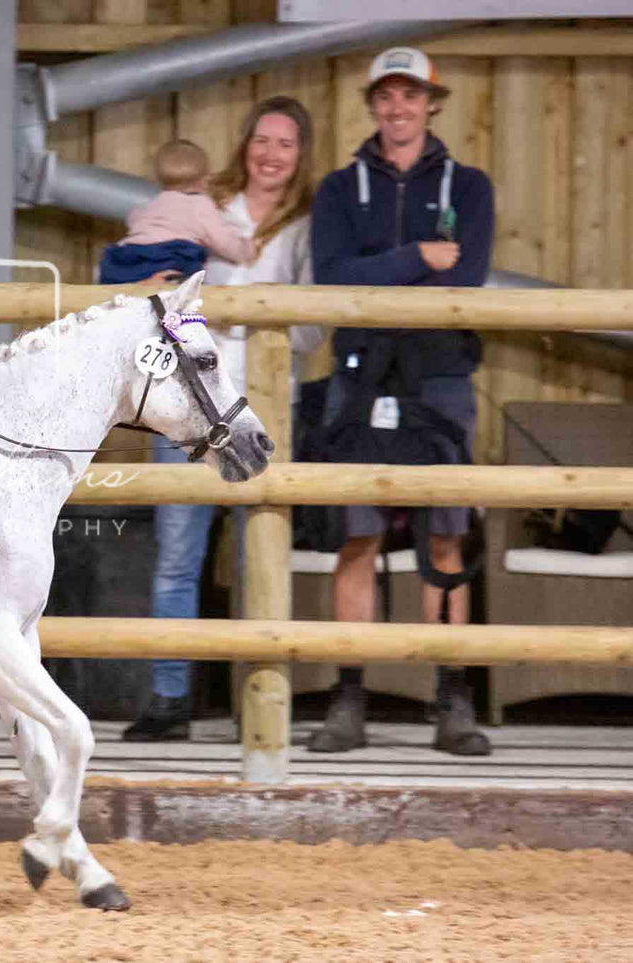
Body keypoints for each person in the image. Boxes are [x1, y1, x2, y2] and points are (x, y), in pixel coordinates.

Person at [121, 96, 327, 742]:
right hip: (186, 403)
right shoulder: (201, 210)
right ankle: (168, 696)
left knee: (257, 555)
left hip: (262, 409)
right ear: (245, 145)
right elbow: (150, 281)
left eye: (284, 144)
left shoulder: (307, 228)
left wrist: (252, 322)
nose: (269, 154)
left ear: (300, 155)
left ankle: (257, 699)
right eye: (260, 140)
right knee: (177, 556)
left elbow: (316, 326)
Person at [308, 46, 495, 756]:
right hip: (358, 377)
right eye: (386, 96)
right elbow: (330, 278)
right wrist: (418, 256)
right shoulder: (337, 188)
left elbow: (466, 277)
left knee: (443, 534)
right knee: (357, 536)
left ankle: (451, 698)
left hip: (439, 376)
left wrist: (379, 279)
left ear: (430, 104)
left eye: (410, 96)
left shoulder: (468, 186)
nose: (398, 108)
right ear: (372, 105)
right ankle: (347, 697)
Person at [101, 139, 256, 285]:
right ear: (204, 179)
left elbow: (133, 219)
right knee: (187, 295)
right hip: (168, 260)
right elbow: (222, 241)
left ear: (159, 179)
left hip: (127, 259)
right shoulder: (199, 204)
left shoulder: (150, 204)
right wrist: (245, 250)